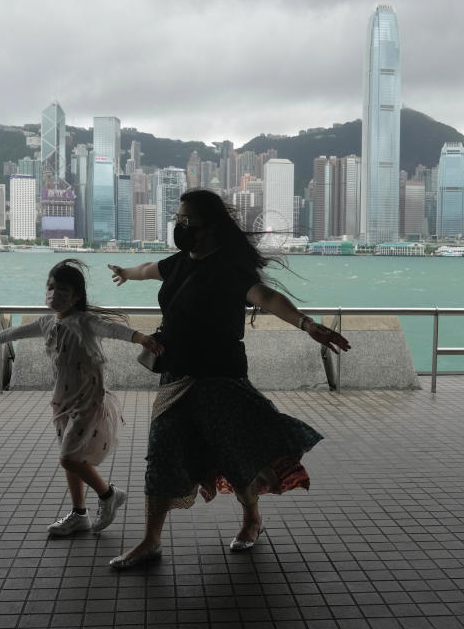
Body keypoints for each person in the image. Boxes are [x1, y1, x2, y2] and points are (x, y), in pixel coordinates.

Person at [105, 189, 351, 568]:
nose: (179, 226)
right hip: (175, 377)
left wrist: (306, 324)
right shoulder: (178, 263)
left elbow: (266, 297)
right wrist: (126, 272)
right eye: (179, 219)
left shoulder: (231, 267)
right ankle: (151, 540)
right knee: (161, 454)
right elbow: (148, 269)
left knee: (234, 454)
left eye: (187, 221)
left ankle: (251, 518)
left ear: (210, 226)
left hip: (220, 377)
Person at [0, 259, 163, 536]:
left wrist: (140, 338)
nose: (54, 292)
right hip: (62, 401)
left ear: (76, 295)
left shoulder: (84, 322)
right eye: (50, 286)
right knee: (73, 456)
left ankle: (109, 494)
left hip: (88, 401)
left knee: (67, 458)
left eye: (62, 288)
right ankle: (79, 514)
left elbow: (112, 330)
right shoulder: (47, 322)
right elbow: (18, 332)